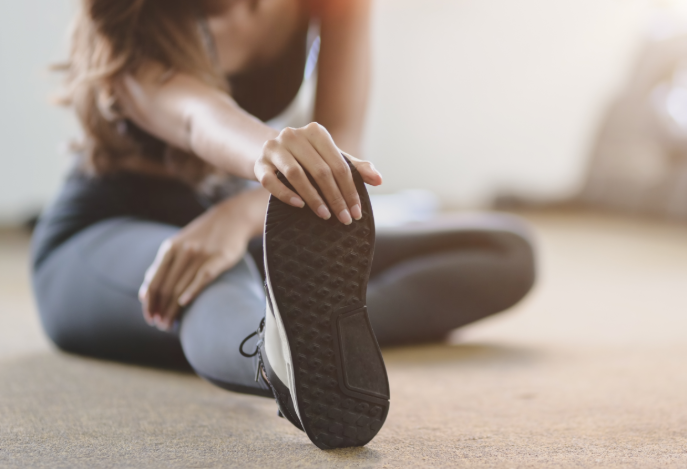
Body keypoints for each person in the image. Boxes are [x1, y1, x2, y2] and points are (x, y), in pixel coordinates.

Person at [30, 0, 535, 449]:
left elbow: (341, 140)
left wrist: (235, 218)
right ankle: (275, 357)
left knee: (506, 249)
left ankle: (310, 323)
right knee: (212, 275)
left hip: (239, 219)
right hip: (105, 232)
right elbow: (198, 119)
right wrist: (267, 153)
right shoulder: (123, 13)